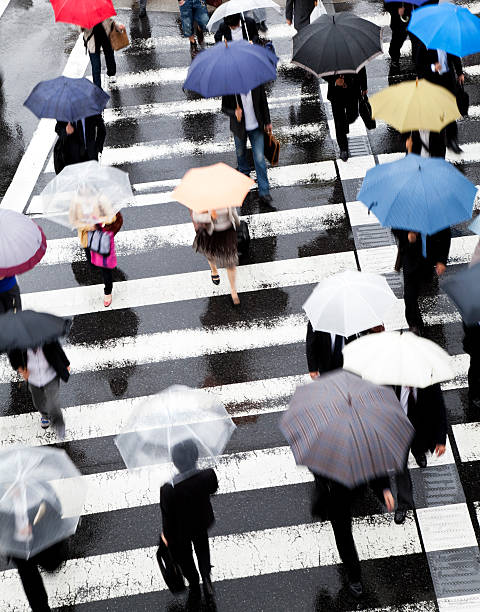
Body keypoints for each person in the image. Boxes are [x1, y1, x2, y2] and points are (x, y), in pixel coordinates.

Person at [311, 473, 394, 597]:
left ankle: (354, 576)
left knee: (343, 532)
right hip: (333, 490)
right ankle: (353, 574)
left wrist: (384, 488)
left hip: (352, 486)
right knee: (342, 533)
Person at [160, 440, 218, 605]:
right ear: (196, 456)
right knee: (202, 550)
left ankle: (194, 583)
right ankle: (206, 577)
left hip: (180, 533)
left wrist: (166, 538)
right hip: (201, 523)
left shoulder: (168, 489)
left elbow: (167, 519)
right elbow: (213, 488)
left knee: (185, 558)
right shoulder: (207, 475)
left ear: (175, 462)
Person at [391, 382, 447, 524]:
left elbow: (439, 408)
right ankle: (403, 503)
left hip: (420, 427)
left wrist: (441, 439)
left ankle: (418, 452)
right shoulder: (388, 380)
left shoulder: (429, 382)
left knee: (419, 445)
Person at [222, 85, 273, 205]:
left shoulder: (257, 83)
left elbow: (263, 102)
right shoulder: (230, 87)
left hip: (256, 127)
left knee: (259, 158)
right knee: (240, 155)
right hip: (239, 128)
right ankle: (244, 180)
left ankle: (264, 191)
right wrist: (234, 112)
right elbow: (224, 108)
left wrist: (267, 121)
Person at [393, 228, 451, 334]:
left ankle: (421, 323)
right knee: (410, 293)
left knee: (425, 286)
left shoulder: (436, 214)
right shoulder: (406, 214)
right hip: (410, 255)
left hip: (429, 257)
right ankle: (413, 324)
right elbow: (395, 228)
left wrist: (442, 260)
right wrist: (408, 236)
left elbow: (445, 235)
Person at [8, 342, 70, 437]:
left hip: (51, 376)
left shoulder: (46, 337)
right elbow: (13, 355)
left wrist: (66, 363)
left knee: (53, 403)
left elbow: (57, 348)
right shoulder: (19, 342)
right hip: (33, 378)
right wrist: (21, 369)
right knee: (38, 402)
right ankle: (45, 415)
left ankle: (59, 424)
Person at [415, 42, 464, 154]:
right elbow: (419, 65)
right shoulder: (424, 45)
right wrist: (433, 67)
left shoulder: (448, 41)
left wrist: (460, 72)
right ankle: (437, 144)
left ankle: (452, 140)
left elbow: (455, 55)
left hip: (448, 79)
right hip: (434, 81)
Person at [192, 207, 241, 305]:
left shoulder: (225, 197)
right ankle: (214, 270)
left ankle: (233, 291)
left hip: (227, 233)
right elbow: (196, 216)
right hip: (211, 234)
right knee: (211, 255)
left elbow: (233, 211)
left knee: (230, 262)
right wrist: (209, 217)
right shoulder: (204, 201)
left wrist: (237, 222)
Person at [325, 68, 368, 161]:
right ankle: (343, 148)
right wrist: (335, 81)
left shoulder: (354, 53)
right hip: (336, 93)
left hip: (353, 90)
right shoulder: (329, 54)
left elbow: (361, 68)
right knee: (339, 120)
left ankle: (345, 125)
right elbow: (323, 72)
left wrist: (364, 86)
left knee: (352, 115)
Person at [88, 212, 123, 308]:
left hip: (104, 242)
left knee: (105, 269)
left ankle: (108, 292)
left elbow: (116, 221)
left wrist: (101, 223)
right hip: (92, 238)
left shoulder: (108, 207)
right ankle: (93, 264)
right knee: (91, 255)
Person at [82, 18, 125, 89]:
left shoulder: (101, 8)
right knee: (96, 65)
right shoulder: (83, 12)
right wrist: (82, 26)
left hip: (105, 35)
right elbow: (79, 28)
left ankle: (111, 73)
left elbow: (110, 20)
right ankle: (97, 86)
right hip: (92, 39)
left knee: (109, 55)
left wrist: (118, 26)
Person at [385, 2, 412, 69]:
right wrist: (396, 10)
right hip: (398, 23)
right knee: (395, 46)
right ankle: (395, 61)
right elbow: (387, 5)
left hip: (414, 18)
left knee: (418, 45)